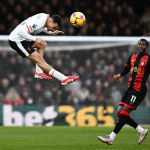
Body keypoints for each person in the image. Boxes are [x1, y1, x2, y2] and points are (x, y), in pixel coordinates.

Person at [97, 39, 149, 145]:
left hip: (139, 90)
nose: (140, 46)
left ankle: (111, 137)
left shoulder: (148, 59)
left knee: (125, 112)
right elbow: (126, 68)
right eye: (139, 44)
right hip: (130, 88)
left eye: (143, 45)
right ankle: (141, 131)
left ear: (146, 47)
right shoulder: (133, 56)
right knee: (119, 113)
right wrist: (119, 75)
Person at [8, 13, 79, 85]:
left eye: (55, 29)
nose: (53, 30)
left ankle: (39, 73)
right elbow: (20, 32)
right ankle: (62, 78)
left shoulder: (45, 17)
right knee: (40, 60)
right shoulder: (40, 22)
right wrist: (35, 39)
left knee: (41, 45)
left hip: (24, 38)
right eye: (54, 28)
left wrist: (50, 33)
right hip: (17, 40)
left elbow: (41, 27)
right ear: (50, 21)